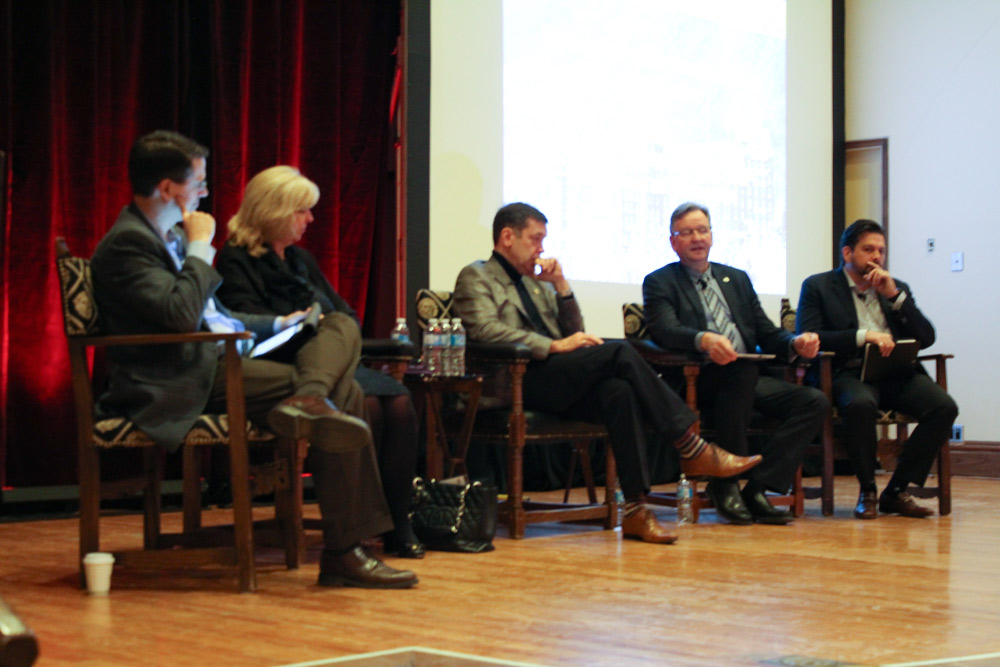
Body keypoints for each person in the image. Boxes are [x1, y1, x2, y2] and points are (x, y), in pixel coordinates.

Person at [89, 130, 417, 588]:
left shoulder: (165, 238)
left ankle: (313, 401)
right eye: (198, 184)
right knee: (343, 391)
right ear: (168, 189)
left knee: (337, 329)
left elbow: (216, 314)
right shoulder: (129, 243)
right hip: (178, 378)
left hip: (220, 362)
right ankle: (345, 550)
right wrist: (201, 246)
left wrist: (280, 324)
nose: (204, 194)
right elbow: (181, 316)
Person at [452, 202, 764, 544]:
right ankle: (689, 443)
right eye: (535, 238)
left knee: (619, 391)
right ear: (508, 237)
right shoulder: (477, 275)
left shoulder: (537, 283)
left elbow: (574, 331)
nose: (541, 248)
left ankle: (634, 510)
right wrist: (552, 346)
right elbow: (483, 331)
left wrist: (561, 286)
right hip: (512, 380)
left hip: (552, 379)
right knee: (619, 350)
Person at [214, 165, 423, 559]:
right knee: (368, 404)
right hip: (279, 361)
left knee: (399, 402)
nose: (310, 219)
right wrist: (302, 325)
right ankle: (363, 532)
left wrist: (325, 328)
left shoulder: (300, 259)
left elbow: (346, 315)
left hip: (325, 365)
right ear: (275, 210)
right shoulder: (235, 260)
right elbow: (243, 326)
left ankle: (398, 521)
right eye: (301, 211)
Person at [642, 202, 829, 525]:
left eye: (702, 230)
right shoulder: (660, 281)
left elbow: (766, 332)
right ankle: (724, 482)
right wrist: (704, 339)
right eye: (687, 232)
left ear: (712, 236)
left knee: (813, 401)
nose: (697, 238)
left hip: (744, 378)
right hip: (695, 379)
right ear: (673, 242)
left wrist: (794, 342)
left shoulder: (736, 279)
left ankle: (757, 488)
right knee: (741, 370)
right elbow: (665, 329)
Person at [797, 219, 958, 519]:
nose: (876, 257)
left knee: (944, 407)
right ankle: (868, 490)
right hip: (848, 372)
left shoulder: (895, 288)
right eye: (868, 249)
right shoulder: (818, 286)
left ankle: (896, 490)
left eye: (881, 251)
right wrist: (864, 336)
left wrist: (895, 297)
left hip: (895, 372)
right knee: (860, 404)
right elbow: (811, 334)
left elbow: (927, 337)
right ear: (847, 253)